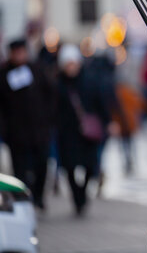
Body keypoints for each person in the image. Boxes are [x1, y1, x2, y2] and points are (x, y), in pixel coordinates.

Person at [56, 44, 110, 215]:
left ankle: (83, 193)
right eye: (68, 64)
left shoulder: (90, 81)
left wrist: (107, 121)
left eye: (73, 63)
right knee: (69, 167)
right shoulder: (58, 84)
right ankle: (77, 197)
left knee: (89, 166)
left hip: (88, 133)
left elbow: (100, 103)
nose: (71, 67)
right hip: (67, 132)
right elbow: (52, 108)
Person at [0, 39, 54, 210]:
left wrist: (48, 119)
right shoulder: (3, 74)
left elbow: (51, 94)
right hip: (17, 133)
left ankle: (38, 197)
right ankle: (24, 199)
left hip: (39, 130)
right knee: (20, 169)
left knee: (42, 165)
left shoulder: (37, 70)